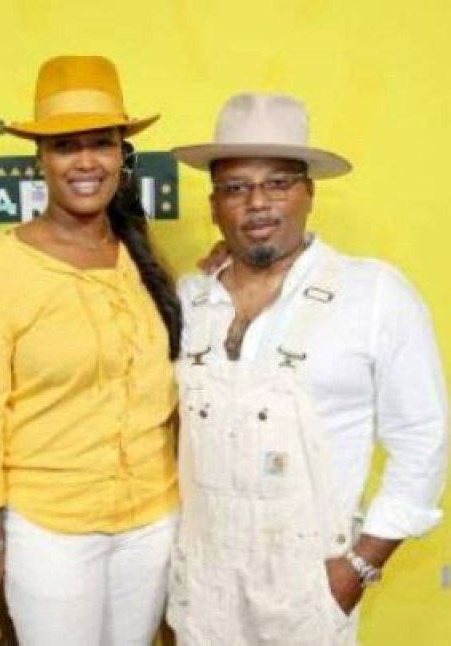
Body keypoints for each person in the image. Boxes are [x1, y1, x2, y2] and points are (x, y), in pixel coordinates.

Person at [166, 93, 447, 645]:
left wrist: (359, 566)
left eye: (279, 183)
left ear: (309, 193)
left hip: (309, 583)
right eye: (236, 187)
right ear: (214, 205)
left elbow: (422, 437)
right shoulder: (189, 298)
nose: (258, 203)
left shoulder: (374, 294)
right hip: (201, 583)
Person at [0, 55, 181, 645]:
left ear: (121, 154)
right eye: (65, 146)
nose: (86, 162)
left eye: (101, 143)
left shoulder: (140, 256)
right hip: (51, 529)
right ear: (40, 158)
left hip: (153, 520)